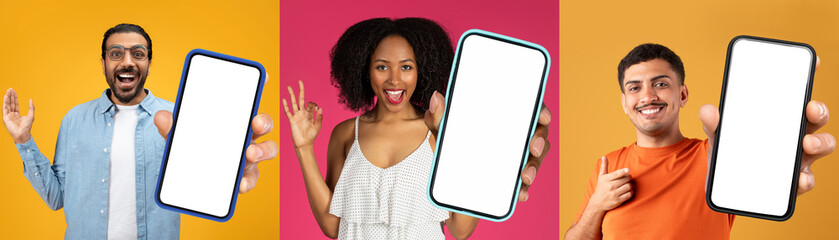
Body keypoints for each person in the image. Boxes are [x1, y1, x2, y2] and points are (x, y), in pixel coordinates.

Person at [1, 23, 278, 240]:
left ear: (148, 63)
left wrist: (227, 168)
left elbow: (201, 178)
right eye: (116, 53)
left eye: (138, 53)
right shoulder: (74, 120)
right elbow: (56, 198)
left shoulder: (176, 118)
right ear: (104, 64)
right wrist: (23, 140)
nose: (127, 61)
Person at [282, 18, 552, 240]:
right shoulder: (344, 134)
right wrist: (304, 148)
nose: (395, 79)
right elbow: (332, 226)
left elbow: (461, 229)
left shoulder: (439, 132)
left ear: (422, 71)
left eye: (406, 67)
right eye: (382, 67)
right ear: (366, 71)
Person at [564, 43, 835, 240]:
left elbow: (756, 173)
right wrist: (597, 205)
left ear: (682, 95)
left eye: (660, 84)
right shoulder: (607, 165)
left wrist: (774, 162)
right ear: (625, 103)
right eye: (635, 87)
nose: (647, 96)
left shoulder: (715, 155)